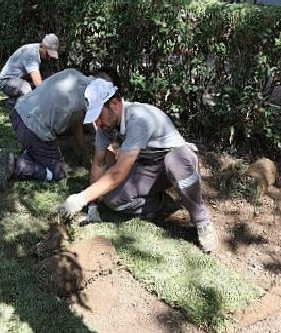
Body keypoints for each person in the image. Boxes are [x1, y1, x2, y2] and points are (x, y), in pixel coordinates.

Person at [56, 79, 219, 252]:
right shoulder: (105, 126)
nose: (97, 123)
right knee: (113, 200)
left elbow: (118, 173)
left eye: (99, 115)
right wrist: (93, 206)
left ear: (115, 104)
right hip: (148, 166)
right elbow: (98, 162)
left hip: (177, 159)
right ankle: (158, 203)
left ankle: (202, 222)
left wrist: (81, 197)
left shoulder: (139, 119)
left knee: (175, 163)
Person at [0, 67, 120, 192]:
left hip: (17, 113)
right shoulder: (88, 100)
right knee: (58, 174)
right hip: (31, 130)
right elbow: (77, 130)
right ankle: (16, 165)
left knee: (57, 130)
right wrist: (85, 151)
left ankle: (32, 153)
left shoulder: (72, 73)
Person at [0, 33, 59, 109]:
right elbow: (37, 81)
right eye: (48, 54)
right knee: (27, 89)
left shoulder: (37, 49)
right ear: (43, 46)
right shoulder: (31, 53)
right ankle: (11, 102)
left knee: (48, 77)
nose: (49, 58)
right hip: (7, 81)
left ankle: (17, 99)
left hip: (20, 78)